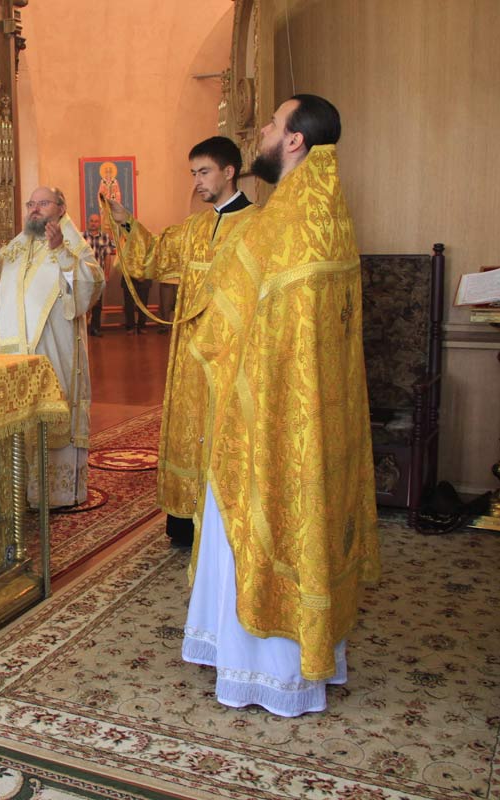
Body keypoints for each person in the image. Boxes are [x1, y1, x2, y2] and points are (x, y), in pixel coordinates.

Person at [180, 95, 380, 715]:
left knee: (260, 520)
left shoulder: (282, 222)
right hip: (316, 410)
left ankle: (263, 670)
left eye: (271, 124)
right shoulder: (327, 211)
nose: (262, 132)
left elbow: (225, 323)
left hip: (267, 412)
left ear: (294, 141)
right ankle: (313, 652)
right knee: (310, 520)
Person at [105, 135, 257, 548]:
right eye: (193, 173)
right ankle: (187, 522)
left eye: (204, 172)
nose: (197, 181)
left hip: (233, 353)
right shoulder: (196, 227)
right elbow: (153, 256)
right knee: (191, 428)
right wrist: (126, 221)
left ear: (229, 171)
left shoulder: (258, 226)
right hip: (191, 352)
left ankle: (226, 524)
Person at [0, 186, 105, 508]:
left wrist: (61, 253)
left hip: (53, 349)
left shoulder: (73, 244)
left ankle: (59, 495)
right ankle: (20, 492)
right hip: (16, 354)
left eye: (43, 203)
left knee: (53, 414)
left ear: (61, 208)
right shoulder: (17, 247)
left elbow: (91, 286)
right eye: (31, 203)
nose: (34, 209)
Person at [82, 213, 114, 338]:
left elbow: (107, 256)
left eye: (96, 221)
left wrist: (107, 274)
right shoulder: (81, 237)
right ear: (88, 223)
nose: (93, 223)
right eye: (91, 221)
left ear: (99, 223)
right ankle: (83, 329)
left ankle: (95, 328)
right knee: (84, 303)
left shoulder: (105, 237)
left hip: (98, 276)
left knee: (97, 304)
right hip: (84, 276)